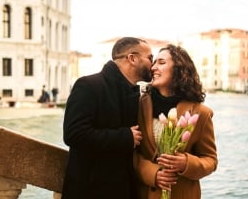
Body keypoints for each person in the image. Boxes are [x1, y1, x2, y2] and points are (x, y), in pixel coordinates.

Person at [61, 37, 154, 199]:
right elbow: (73, 134)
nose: (152, 65)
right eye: (150, 58)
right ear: (132, 58)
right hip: (90, 192)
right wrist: (124, 137)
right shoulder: (88, 85)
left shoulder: (136, 95)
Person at [134, 44, 218, 199]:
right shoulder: (138, 105)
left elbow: (210, 160)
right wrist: (154, 174)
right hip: (144, 193)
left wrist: (186, 163)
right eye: (154, 62)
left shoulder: (201, 113)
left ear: (179, 70)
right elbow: (131, 153)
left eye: (161, 62)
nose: (153, 67)